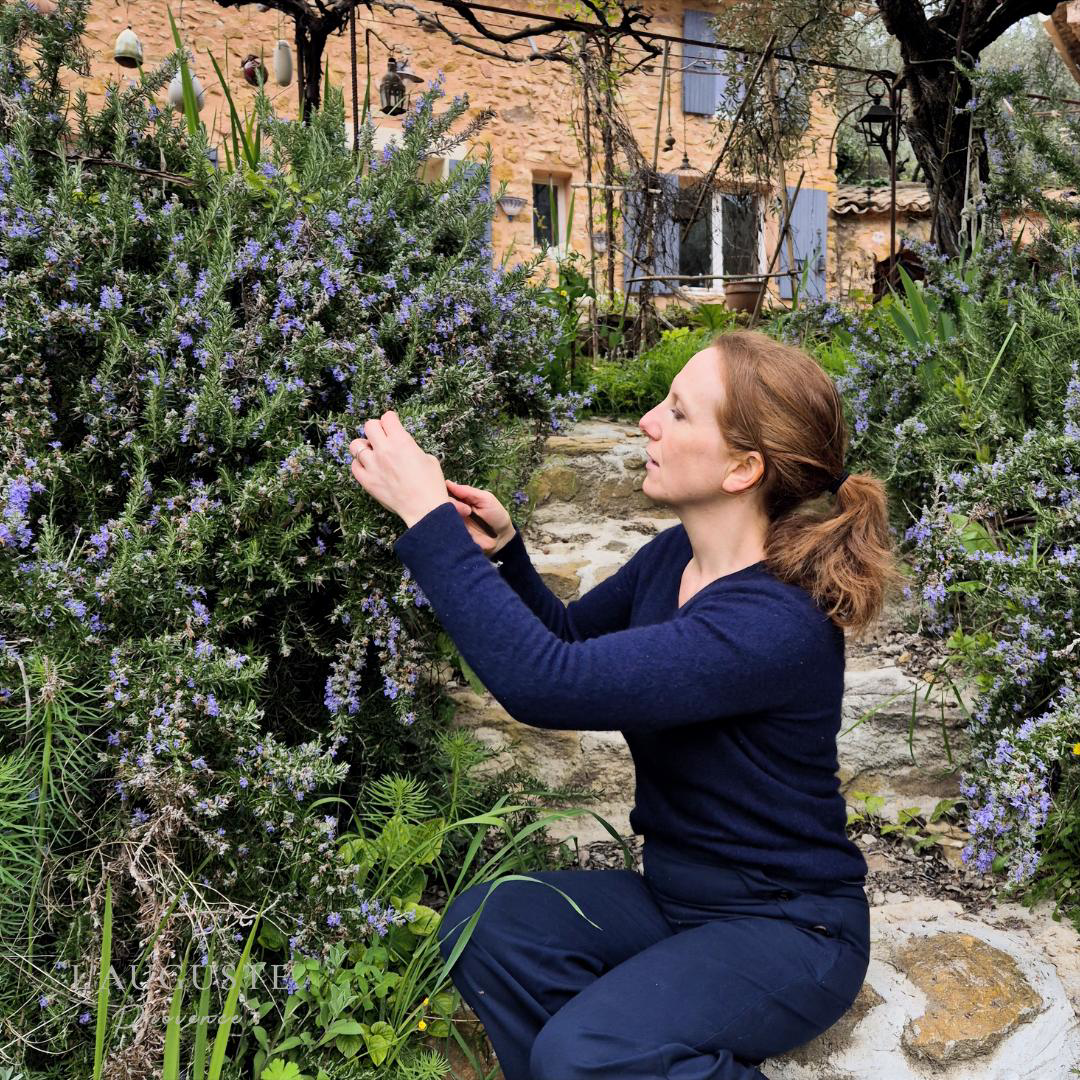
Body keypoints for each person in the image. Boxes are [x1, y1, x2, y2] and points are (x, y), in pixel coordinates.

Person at [353, 329, 906, 1080]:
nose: (647, 420)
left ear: (744, 468)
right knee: (490, 922)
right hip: (675, 900)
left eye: (678, 413)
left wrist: (424, 518)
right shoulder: (675, 559)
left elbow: (545, 683)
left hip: (790, 932)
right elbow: (569, 641)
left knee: (581, 1055)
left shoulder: (774, 623)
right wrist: (506, 554)